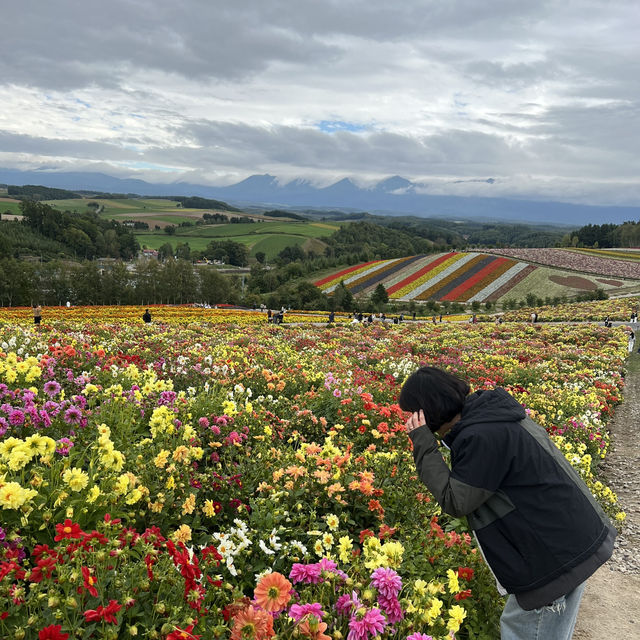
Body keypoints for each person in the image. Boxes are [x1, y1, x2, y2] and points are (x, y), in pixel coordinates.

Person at [399, 367, 616, 640]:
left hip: (552, 555)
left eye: (412, 413)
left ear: (427, 412)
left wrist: (422, 443)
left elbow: (456, 499)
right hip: (570, 538)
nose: (411, 420)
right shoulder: (489, 415)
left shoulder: (482, 437)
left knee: (526, 630)